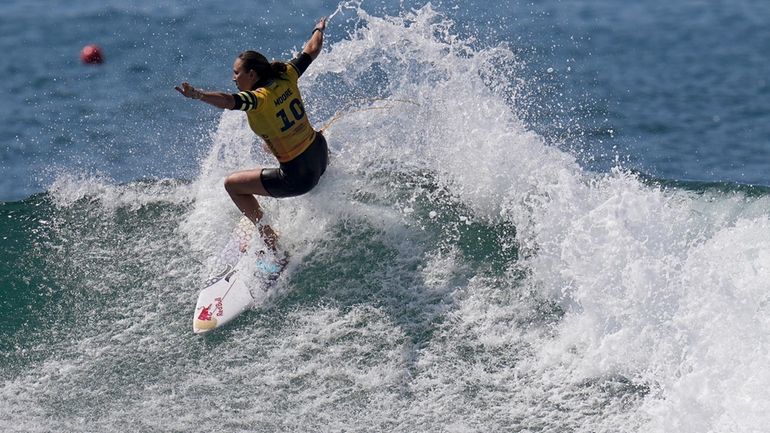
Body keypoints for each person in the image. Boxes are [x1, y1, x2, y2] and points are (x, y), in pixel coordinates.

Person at [175, 18, 328, 252]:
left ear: (252, 74)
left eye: (237, 73)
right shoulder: (287, 73)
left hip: (299, 179)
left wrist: (198, 95)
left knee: (232, 185)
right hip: (320, 155)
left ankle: (271, 243)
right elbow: (312, 49)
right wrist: (318, 28)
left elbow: (228, 101)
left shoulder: (258, 99)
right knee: (270, 145)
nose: (234, 78)